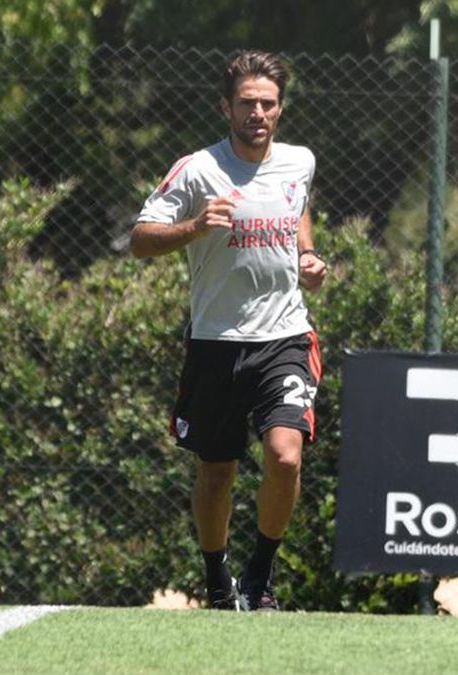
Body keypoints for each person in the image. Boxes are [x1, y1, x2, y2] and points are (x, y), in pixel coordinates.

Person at [131, 50, 327, 611]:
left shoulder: (299, 162)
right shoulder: (197, 170)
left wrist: (308, 255)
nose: (258, 113)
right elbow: (141, 237)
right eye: (247, 104)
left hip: (284, 337)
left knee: (286, 455)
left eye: (267, 104)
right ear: (226, 107)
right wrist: (193, 226)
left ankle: (260, 575)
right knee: (216, 474)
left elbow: (298, 206)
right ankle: (217, 577)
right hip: (216, 342)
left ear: (280, 109)